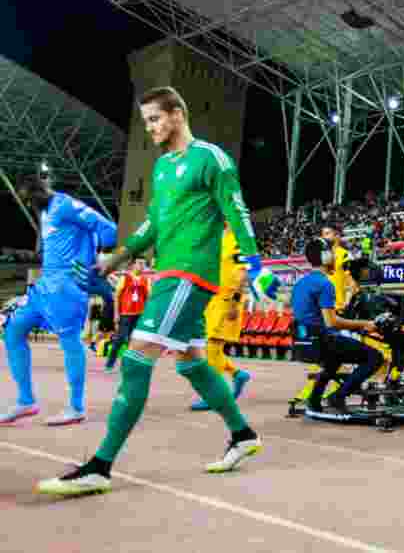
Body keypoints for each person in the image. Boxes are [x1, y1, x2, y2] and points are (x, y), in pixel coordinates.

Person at [36, 86, 279, 496]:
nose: (149, 127)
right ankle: (243, 435)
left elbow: (236, 209)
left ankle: (100, 466)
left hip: (190, 274)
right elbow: (154, 223)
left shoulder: (210, 158)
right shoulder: (164, 168)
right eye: (146, 120)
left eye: (155, 119)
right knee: (192, 364)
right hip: (169, 273)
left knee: (134, 361)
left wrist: (255, 265)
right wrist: (116, 258)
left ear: (177, 114)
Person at [2, 172, 117, 427]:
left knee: (69, 341)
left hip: (67, 285)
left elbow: (108, 229)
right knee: (12, 331)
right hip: (44, 286)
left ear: (40, 191)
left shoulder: (66, 205)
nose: (30, 204)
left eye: (31, 199)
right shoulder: (45, 211)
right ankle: (25, 400)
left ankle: (76, 407)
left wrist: (99, 259)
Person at [300, 245, 386, 417]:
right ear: (325, 258)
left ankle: (314, 399)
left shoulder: (301, 283)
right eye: (332, 256)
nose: (336, 260)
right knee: (375, 357)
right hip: (324, 339)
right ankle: (339, 396)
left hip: (305, 342)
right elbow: (331, 321)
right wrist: (364, 324)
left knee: (335, 359)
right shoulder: (325, 284)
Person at [190, 225, 252, 411]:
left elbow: (243, 273)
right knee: (210, 349)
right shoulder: (218, 237)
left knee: (212, 348)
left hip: (227, 300)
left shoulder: (239, 239)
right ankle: (237, 374)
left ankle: (214, 396)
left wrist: (235, 301)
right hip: (212, 299)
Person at [106, 259, 150, 373]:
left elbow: (148, 298)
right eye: (139, 263)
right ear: (133, 265)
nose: (142, 266)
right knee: (120, 339)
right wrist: (116, 313)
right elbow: (117, 296)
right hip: (126, 314)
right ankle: (110, 363)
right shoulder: (125, 278)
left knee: (134, 342)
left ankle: (129, 366)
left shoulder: (146, 280)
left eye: (144, 264)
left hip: (139, 314)